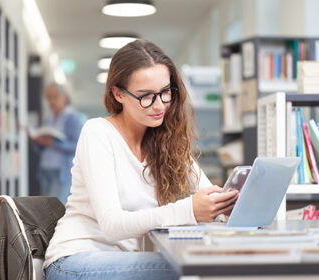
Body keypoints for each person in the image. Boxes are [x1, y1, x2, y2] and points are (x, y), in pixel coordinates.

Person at [43, 40, 239, 280]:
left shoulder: (166, 142)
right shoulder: (97, 133)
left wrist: (226, 206)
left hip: (125, 261)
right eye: (145, 96)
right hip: (74, 260)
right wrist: (190, 210)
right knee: (187, 267)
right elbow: (112, 225)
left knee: (205, 262)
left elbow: (208, 193)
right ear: (118, 93)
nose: (159, 105)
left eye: (165, 92)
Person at [30, 83, 83, 204]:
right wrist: (38, 141)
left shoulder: (72, 117)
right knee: (46, 208)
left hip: (61, 172)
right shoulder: (48, 118)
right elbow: (42, 148)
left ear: (64, 96)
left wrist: (54, 143)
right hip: (45, 170)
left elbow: (77, 146)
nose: (51, 101)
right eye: (48, 97)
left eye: (55, 96)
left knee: (57, 209)